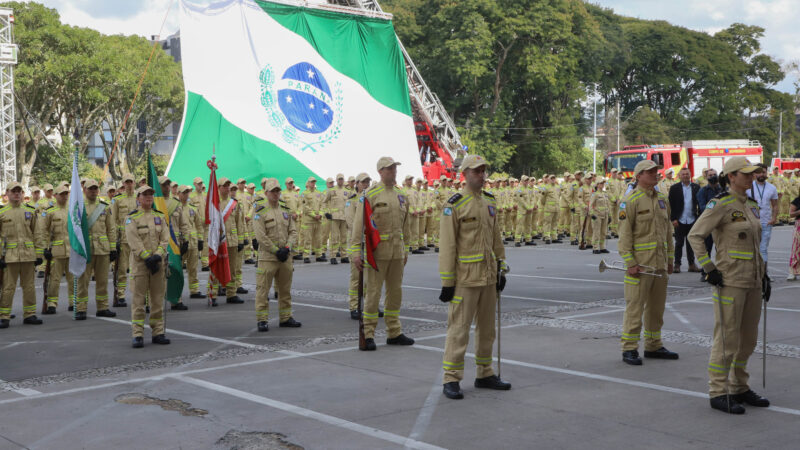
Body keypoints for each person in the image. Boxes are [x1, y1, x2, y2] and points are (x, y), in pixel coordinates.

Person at [688, 156, 769, 414]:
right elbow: (695, 236)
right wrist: (708, 268)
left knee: (748, 340)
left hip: (753, 280)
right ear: (731, 176)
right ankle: (718, 391)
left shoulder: (752, 204)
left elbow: (755, 244)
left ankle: (739, 387)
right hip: (730, 280)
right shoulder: (720, 204)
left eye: (752, 173)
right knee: (727, 339)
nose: (751, 177)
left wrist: (764, 276)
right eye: (745, 174)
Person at [438, 154, 510, 399]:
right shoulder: (454, 205)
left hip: (488, 276)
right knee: (459, 329)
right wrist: (447, 282)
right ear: (465, 174)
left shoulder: (490, 201)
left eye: (483, 171)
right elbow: (448, 246)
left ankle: (485, 373)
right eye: (477, 171)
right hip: (465, 279)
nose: (482, 175)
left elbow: (495, 238)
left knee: (487, 329)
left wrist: (501, 266)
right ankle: (451, 378)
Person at [350, 156, 414, 351]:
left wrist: (407, 249)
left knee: (395, 293)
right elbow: (358, 225)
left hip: (397, 253)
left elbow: (406, 226)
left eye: (394, 168)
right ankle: (368, 333)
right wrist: (355, 252)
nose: (393, 171)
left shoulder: (401, 195)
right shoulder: (370, 195)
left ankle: (394, 332)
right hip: (377, 253)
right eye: (389, 169)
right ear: (380, 172)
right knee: (373, 294)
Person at [617, 160, 677, 365]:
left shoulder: (662, 198)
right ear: (639, 175)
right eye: (650, 172)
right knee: (635, 308)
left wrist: (670, 259)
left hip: (659, 264)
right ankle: (629, 348)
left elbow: (668, 231)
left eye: (656, 171)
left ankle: (653, 345)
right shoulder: (630, 200)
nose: (655, 174)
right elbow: (624, 235)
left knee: (656, 308)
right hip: (640, 266)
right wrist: (630, 262)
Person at [126, 185, 171, 348]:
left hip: (158, 264)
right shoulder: (132, 218)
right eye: (145, 195)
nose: (149, 197)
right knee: (138, 301)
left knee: (157, 300)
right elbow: (133, 241)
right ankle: (137, 334)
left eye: (151, 194)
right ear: (138, 198)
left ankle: (158, 332)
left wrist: (158, 255)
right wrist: (147, 257)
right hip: (140, 265)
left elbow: (165, 238)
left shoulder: (159, 216)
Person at [253, 178, 301, 331]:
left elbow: (293, 231)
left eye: (278, 191)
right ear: (266, 192)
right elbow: (261, 236)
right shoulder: (260, 210)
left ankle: (286, 318)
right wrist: (275, 250)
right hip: (268, 257)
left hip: (285, 256)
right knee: (263, 290)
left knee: (285, 289)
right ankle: (262, 320)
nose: (276, 194)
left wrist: (287, 248)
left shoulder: (285, 209)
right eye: (273, 191)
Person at [0, 182, 43, 328]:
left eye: (19, 191)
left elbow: (37, 233)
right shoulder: (2, 212)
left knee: (29, 286)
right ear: (7, 193)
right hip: (9, 257)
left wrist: (39, 254)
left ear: (22, 193)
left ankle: (30, 314)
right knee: (8, 287)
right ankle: (4, 317)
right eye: (14, 191)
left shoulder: (30, 211)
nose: (17, 194)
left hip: (28, 255)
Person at [74, 179, 117, 318]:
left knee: (103, 280)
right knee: (83, 281)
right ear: (84, 190)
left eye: (95, 189)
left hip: (103, 250)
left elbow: (111, 229)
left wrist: (113, 248)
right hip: (85, 250)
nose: (93, 191)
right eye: (90, 189)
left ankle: (103, 307)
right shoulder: (78, 206)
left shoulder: (105, 206)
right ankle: (80, 309)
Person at [111, 174, 137, 307]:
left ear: (134, 182)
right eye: (126, 182)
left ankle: (139, 294)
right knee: (122, 269)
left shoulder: (140, 197)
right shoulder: (117, 200)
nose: (129, 184)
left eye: (131, 182)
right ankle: (120, 294)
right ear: (123, 184)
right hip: (123, 239)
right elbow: (112, 221)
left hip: (138, 240)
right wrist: (115, 240)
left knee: (138, 270)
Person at [668, 167, 701, 273]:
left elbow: (699, 204)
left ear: (690, 175)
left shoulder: (696, 187)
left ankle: (691, 264)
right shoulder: (674, 188)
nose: (685, 176)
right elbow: (670, 205)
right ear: (679, 176)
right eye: (683, 174)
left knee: (691, 243)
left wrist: (698, 218)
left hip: (692, 219)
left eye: (687, 174)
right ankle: (677, 265)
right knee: (679, 243)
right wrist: (673, 219)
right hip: (679, 220)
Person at [746, 165, 778, 263]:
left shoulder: (772, 188)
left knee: (763, 249)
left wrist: (773, 219)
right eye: (759, 172)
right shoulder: (748, 187)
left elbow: (775, 205)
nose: (761, 174)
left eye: (764, 172)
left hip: (766, 222)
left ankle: (764, 274)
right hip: (751, 222)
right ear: (754, 173)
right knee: (751, 249)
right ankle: (755, 274)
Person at [324, 174, 348, 265]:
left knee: (344, 238)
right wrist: (327, 212)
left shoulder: (347, 191)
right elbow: (324, 202)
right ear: (337, 180)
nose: (340, 181)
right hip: (334, 217)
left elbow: (349, 204)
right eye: (339, 179)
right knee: (334, 238)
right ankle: (333, 256)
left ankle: (344, 256)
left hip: (344, 217)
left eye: (342, 179)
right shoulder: (331, 191)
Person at [300, 177, 326, 263]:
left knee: (318, 239)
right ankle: (306, 256)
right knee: (308, 239)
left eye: (314, 182)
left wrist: (321, 214)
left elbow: (323, 204)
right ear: (308, 183)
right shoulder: (304, 193)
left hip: (318, 220)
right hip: (309, 220)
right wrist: (314, 215)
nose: (313, 183)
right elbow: (305, 207)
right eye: (311, 182)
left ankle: (319, 255)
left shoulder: (319, 193)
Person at [590, 178, 610, 254]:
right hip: (597, 215)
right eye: (601, 183)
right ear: (597, 185)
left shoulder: (605, 194)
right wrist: (592, 214)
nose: (602, 185)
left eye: (603, 183)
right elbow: (591, 205)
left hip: (605, 215)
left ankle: (602, 247)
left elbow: (608, 205)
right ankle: (595, 247)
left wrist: (609, 215)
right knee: (597, 232)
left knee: (603, 232)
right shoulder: (595, 194)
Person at [788, 193, 800, 281]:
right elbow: (791, 214)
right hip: (799, 225)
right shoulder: (797, 200)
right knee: (796, 249)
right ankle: (793, 272)